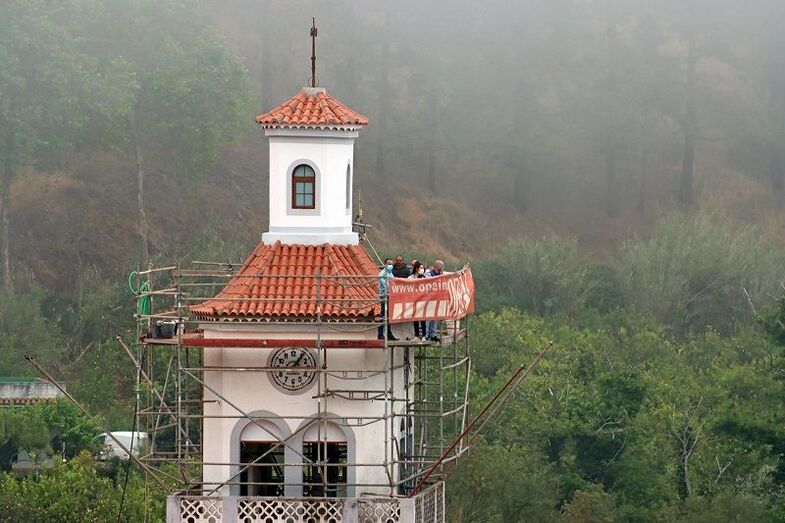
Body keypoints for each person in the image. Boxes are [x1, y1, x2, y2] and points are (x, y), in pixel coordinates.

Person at [425, 260, 445, 342]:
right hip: (429, 298)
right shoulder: (429, 274)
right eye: (441, 266)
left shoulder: (441, 274)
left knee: (434, 317)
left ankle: (433, 334)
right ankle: (426, 334)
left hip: (436, 298)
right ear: (437, 266)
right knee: (428, 318)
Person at [377, 258, 397, 340]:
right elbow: (386, 286)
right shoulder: (382, 274)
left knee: (388, 316)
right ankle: (380, 334)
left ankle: (389, 334)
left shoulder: (390, 273)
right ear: (385, 264)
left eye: (391, 264)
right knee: (383, 315)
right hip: (384, 296)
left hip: (390, 296)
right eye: (389, 264)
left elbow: (394, 282)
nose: (390, 266)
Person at [408, 261, 427, 340]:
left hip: (422, 300)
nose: (422, 269)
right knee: (415, 318)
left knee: (422, 318)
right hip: (414, 300)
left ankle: (424, 335)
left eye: (423, 268)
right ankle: (416, 335)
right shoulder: (410, 277)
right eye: (421, 268)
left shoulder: (424, 278)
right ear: (416, 269)